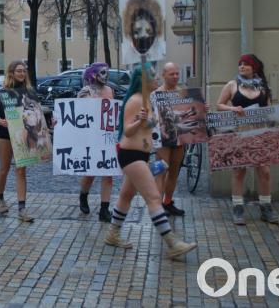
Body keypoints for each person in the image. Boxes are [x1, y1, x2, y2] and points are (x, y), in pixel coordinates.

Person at [104, 63, 197, 260]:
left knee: (126, 195)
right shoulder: (136, 101)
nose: (157, 79)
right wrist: (139, 120)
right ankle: (172, 243)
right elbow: (127, 131)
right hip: (131, 154)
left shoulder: (149, 100)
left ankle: (112, 234)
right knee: (154, 198)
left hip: (141, 155)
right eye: (153, 77)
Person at [216, 54, 279, 225]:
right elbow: (219, 105)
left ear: (254, 67)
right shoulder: (232, 85)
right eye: (240, 64)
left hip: (259, 133)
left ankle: (266, 208)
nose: (242, 67)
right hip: (239, 133)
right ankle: (238, 208)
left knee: (264, 171)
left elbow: (270, 112)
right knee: (239, 171)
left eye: (246, 64)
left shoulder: (264, 87)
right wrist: (232, 108)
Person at [0, 60, 36, 222]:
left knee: (21, 170)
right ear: (12, 73)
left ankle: (22, 208)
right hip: (4, 135)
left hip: (22, 134)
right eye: (18, 71)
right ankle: (0, 198)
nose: (22, 74)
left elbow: (36, 114)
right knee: (4, 169)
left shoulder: (29, 92)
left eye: (24, 71)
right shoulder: (4, 92)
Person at [76, 63, 115, 222]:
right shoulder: (85, 92)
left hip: (107, 135)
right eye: (102, 72)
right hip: (90, 136)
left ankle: (104, 209)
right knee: (90, 173)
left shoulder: (110, 90)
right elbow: (77, 114)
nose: (105, 75)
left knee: (108, 173)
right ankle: (83, 195)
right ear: (93, 75)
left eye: (107, 72)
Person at [151, 62, 186, 216]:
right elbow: (150, 117)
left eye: (177, 73)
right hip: (163, 137)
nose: (175, 77)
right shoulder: (155, 94)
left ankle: (168, 202)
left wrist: (202, 108)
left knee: (174, 170)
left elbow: (191, 112)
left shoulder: (183, 93)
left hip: (179, 136)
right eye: (172, 74)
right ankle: (157, 205)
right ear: (164, 75)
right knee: (161, 170)